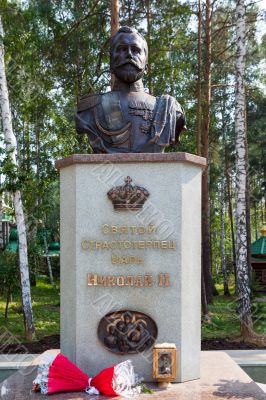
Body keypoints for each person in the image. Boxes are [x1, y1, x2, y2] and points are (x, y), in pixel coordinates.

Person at [76, 26, 186, 153]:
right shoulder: (90, 108)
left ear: (146, 65)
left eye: (135, 50)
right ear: (111, 62)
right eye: (122, 49)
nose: (129, 54)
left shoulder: (169, 108)